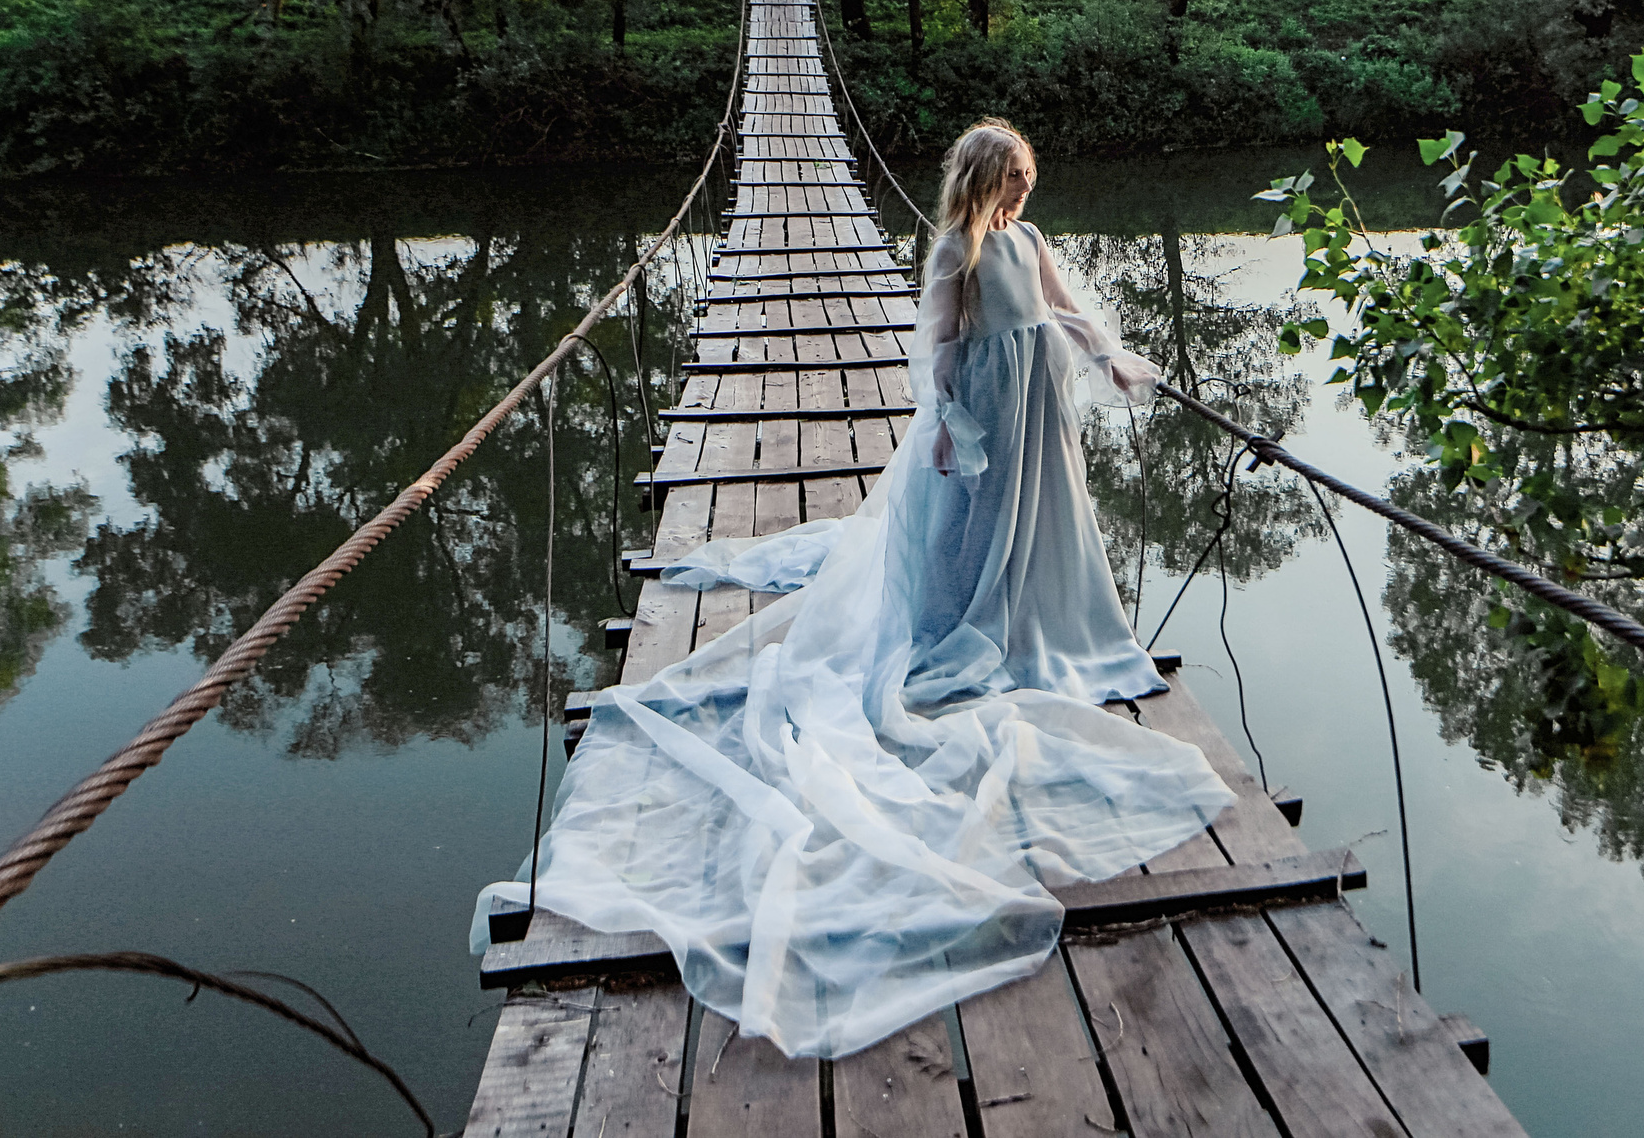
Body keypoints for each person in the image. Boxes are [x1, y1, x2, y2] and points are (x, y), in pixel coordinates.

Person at [473, 119, 1232, 1060]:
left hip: (1038, 406)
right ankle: (965, 618)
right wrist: (949, 419)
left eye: (1031, 180)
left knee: (1040, 525)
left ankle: (1046, 617)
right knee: (967, 532)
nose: (1027, 196)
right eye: (1016, 180)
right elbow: (939, 345)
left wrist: (1108, 351)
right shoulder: (957, 248)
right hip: (986, 410)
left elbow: (1066, 308)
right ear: (986, 179)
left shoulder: (1029, 241)